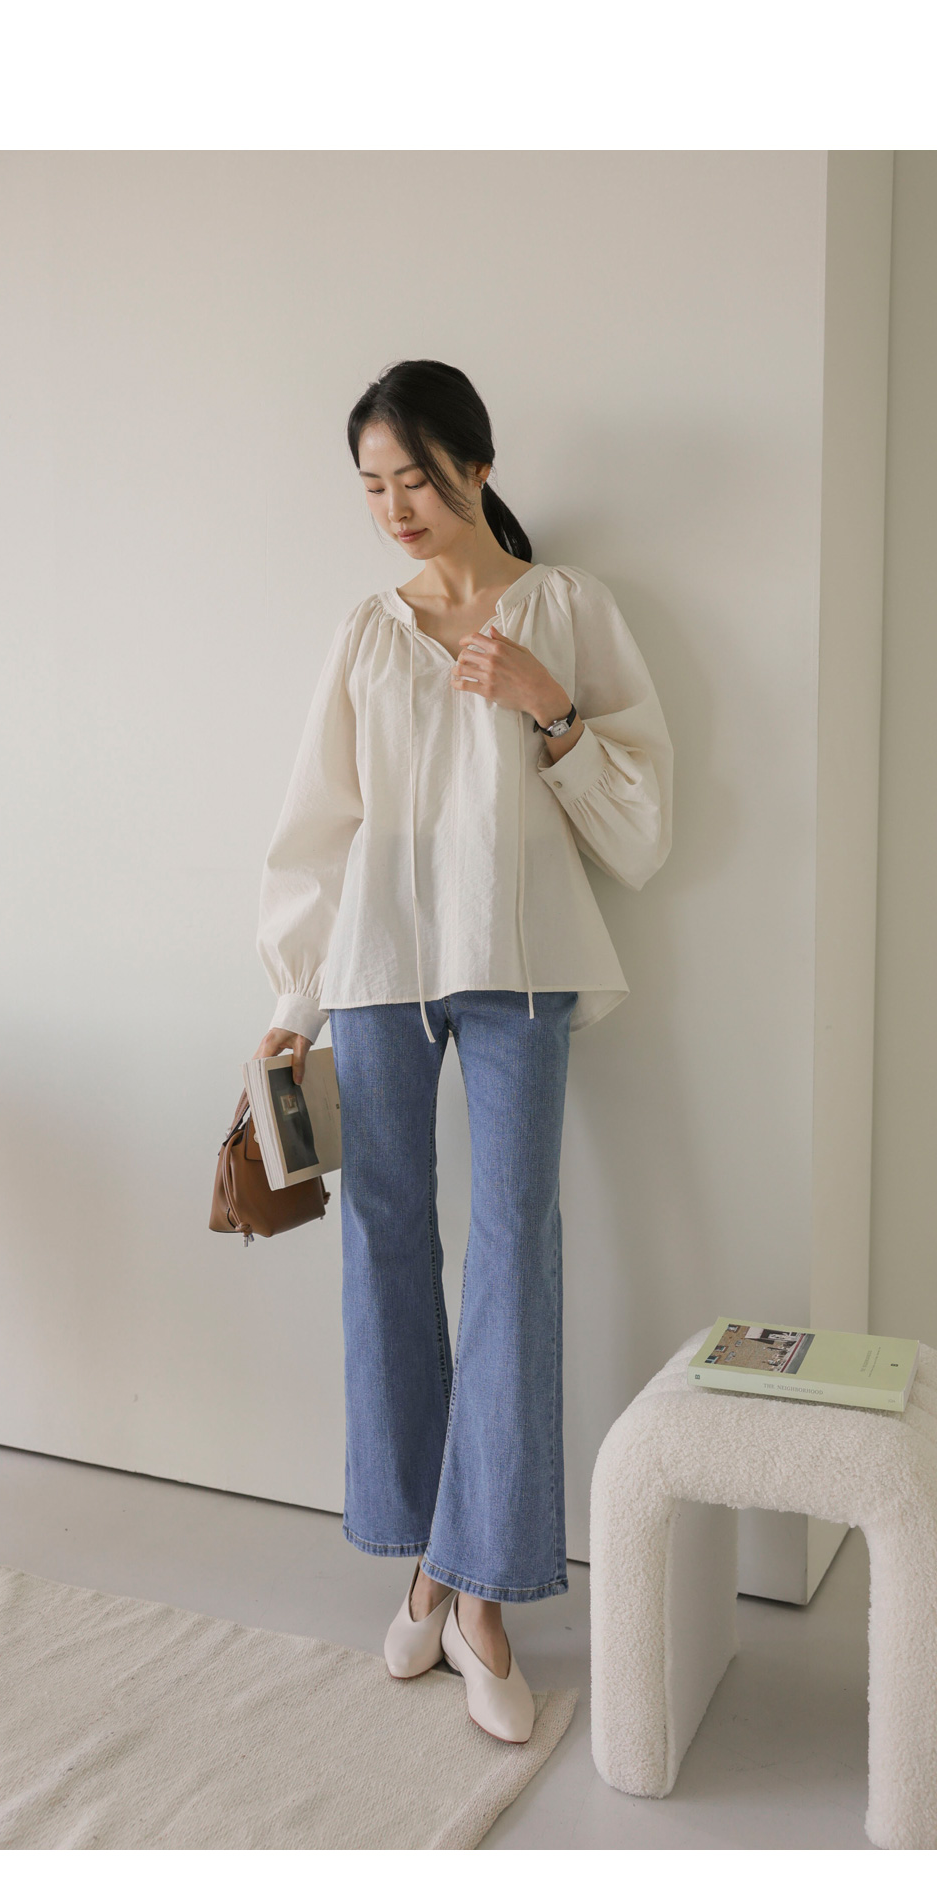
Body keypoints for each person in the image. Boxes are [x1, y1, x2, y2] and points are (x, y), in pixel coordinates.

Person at [253, 359, 673, 1743]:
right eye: (372, 485)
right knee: (384, 1239)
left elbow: (641, 828)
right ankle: (428, 1558)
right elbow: (321, 826)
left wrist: (549, 705)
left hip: (523, 965)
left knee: (513, 1248)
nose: (395, 508)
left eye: (417, 480)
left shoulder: (568, 610)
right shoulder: (366, 635)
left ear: (477, 467)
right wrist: (293, 998)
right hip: (377, 972)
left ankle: (478, 1592)